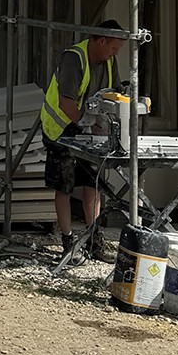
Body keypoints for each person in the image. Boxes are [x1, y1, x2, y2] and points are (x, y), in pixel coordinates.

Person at [41, 18, 126, 260]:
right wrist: (84, 125)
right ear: (100, 40)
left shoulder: (109, 63)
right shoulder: (74, 59)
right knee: (64, 184)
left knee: (94, 183)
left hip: (88, 129)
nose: (114, 54)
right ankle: (67, 240)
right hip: (61, 129)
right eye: (113, 48)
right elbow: (65, 102)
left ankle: (93, 239)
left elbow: (114, 95)